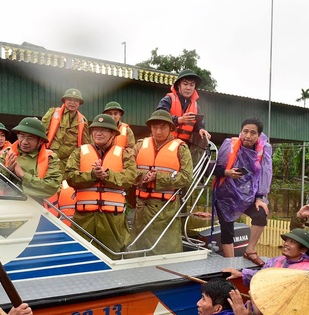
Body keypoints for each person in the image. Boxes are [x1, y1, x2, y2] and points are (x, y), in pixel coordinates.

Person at [64, 114, 136, 258]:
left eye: (104, 130)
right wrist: (92, 175)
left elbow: (130, 178)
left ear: (113, 134)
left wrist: (107, 176)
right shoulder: (79, 152)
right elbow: (70, 177)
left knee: (112, 255)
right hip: (84, 218)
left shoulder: (125, 154)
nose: (98, 133)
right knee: (80, 256)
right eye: (95, 129)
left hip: (112, 220)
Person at [131, 109, 193, 255]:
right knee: (137, 249)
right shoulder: (140, 145)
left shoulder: (181, 148)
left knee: (164, 250)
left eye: (162, 127)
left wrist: (158, 177)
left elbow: (186, 177)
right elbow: (128, 170)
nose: (158, 131)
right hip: (141, 208)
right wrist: (143, 175)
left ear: (171, 128)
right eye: (154, 127)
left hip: (166, 209)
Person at [213, 118, 273, 263]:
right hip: (225, 195)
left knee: (261, 214)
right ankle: (230, 263)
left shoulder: (263, 150)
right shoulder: (230, 145)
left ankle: (250, 250)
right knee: (227, 231)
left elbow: (265, 174)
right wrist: (228, 173)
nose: (248, 135)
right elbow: (214, 169)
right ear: (241, 132)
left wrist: (260, 198)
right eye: (245, 131)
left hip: (248, 196)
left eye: (253, 133)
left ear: (258, 136)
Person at [223, 228, 309, 304]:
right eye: (287, 241)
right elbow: (261, 277)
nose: (286, 244)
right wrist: (241, 273)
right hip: (269, 306)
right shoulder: (277, 261)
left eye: (292, 242)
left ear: (303, 249)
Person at [0, 117, 62, 202]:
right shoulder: (7, 153)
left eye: (30, 138)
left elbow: (51, 187)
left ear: (41, 140)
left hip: (34, 209)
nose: (24, 142)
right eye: (21, 136)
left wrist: (23, 175)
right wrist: (8, 170)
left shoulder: (50, 158)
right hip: (6, 205)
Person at [156, 69, 211, 163]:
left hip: (184, 149)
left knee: (202, 139)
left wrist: (200, 129)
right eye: (185, 84)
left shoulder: (196, 106)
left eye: (192, 85)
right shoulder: (168, 100)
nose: (188, 88)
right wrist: (179, 120)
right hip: (164, 144)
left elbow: (199, 124)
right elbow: (159, 118)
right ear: (178, 85)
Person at [41, 88, 90, 173]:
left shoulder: (83, 120)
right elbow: (41, 132)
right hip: (51, 156)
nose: (72, 103)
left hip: (70, 160)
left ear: (79, 103)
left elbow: (85, 143)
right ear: (64, 101)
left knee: (67, 184)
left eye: (75, 100)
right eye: (69, 99)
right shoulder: (52, 113)